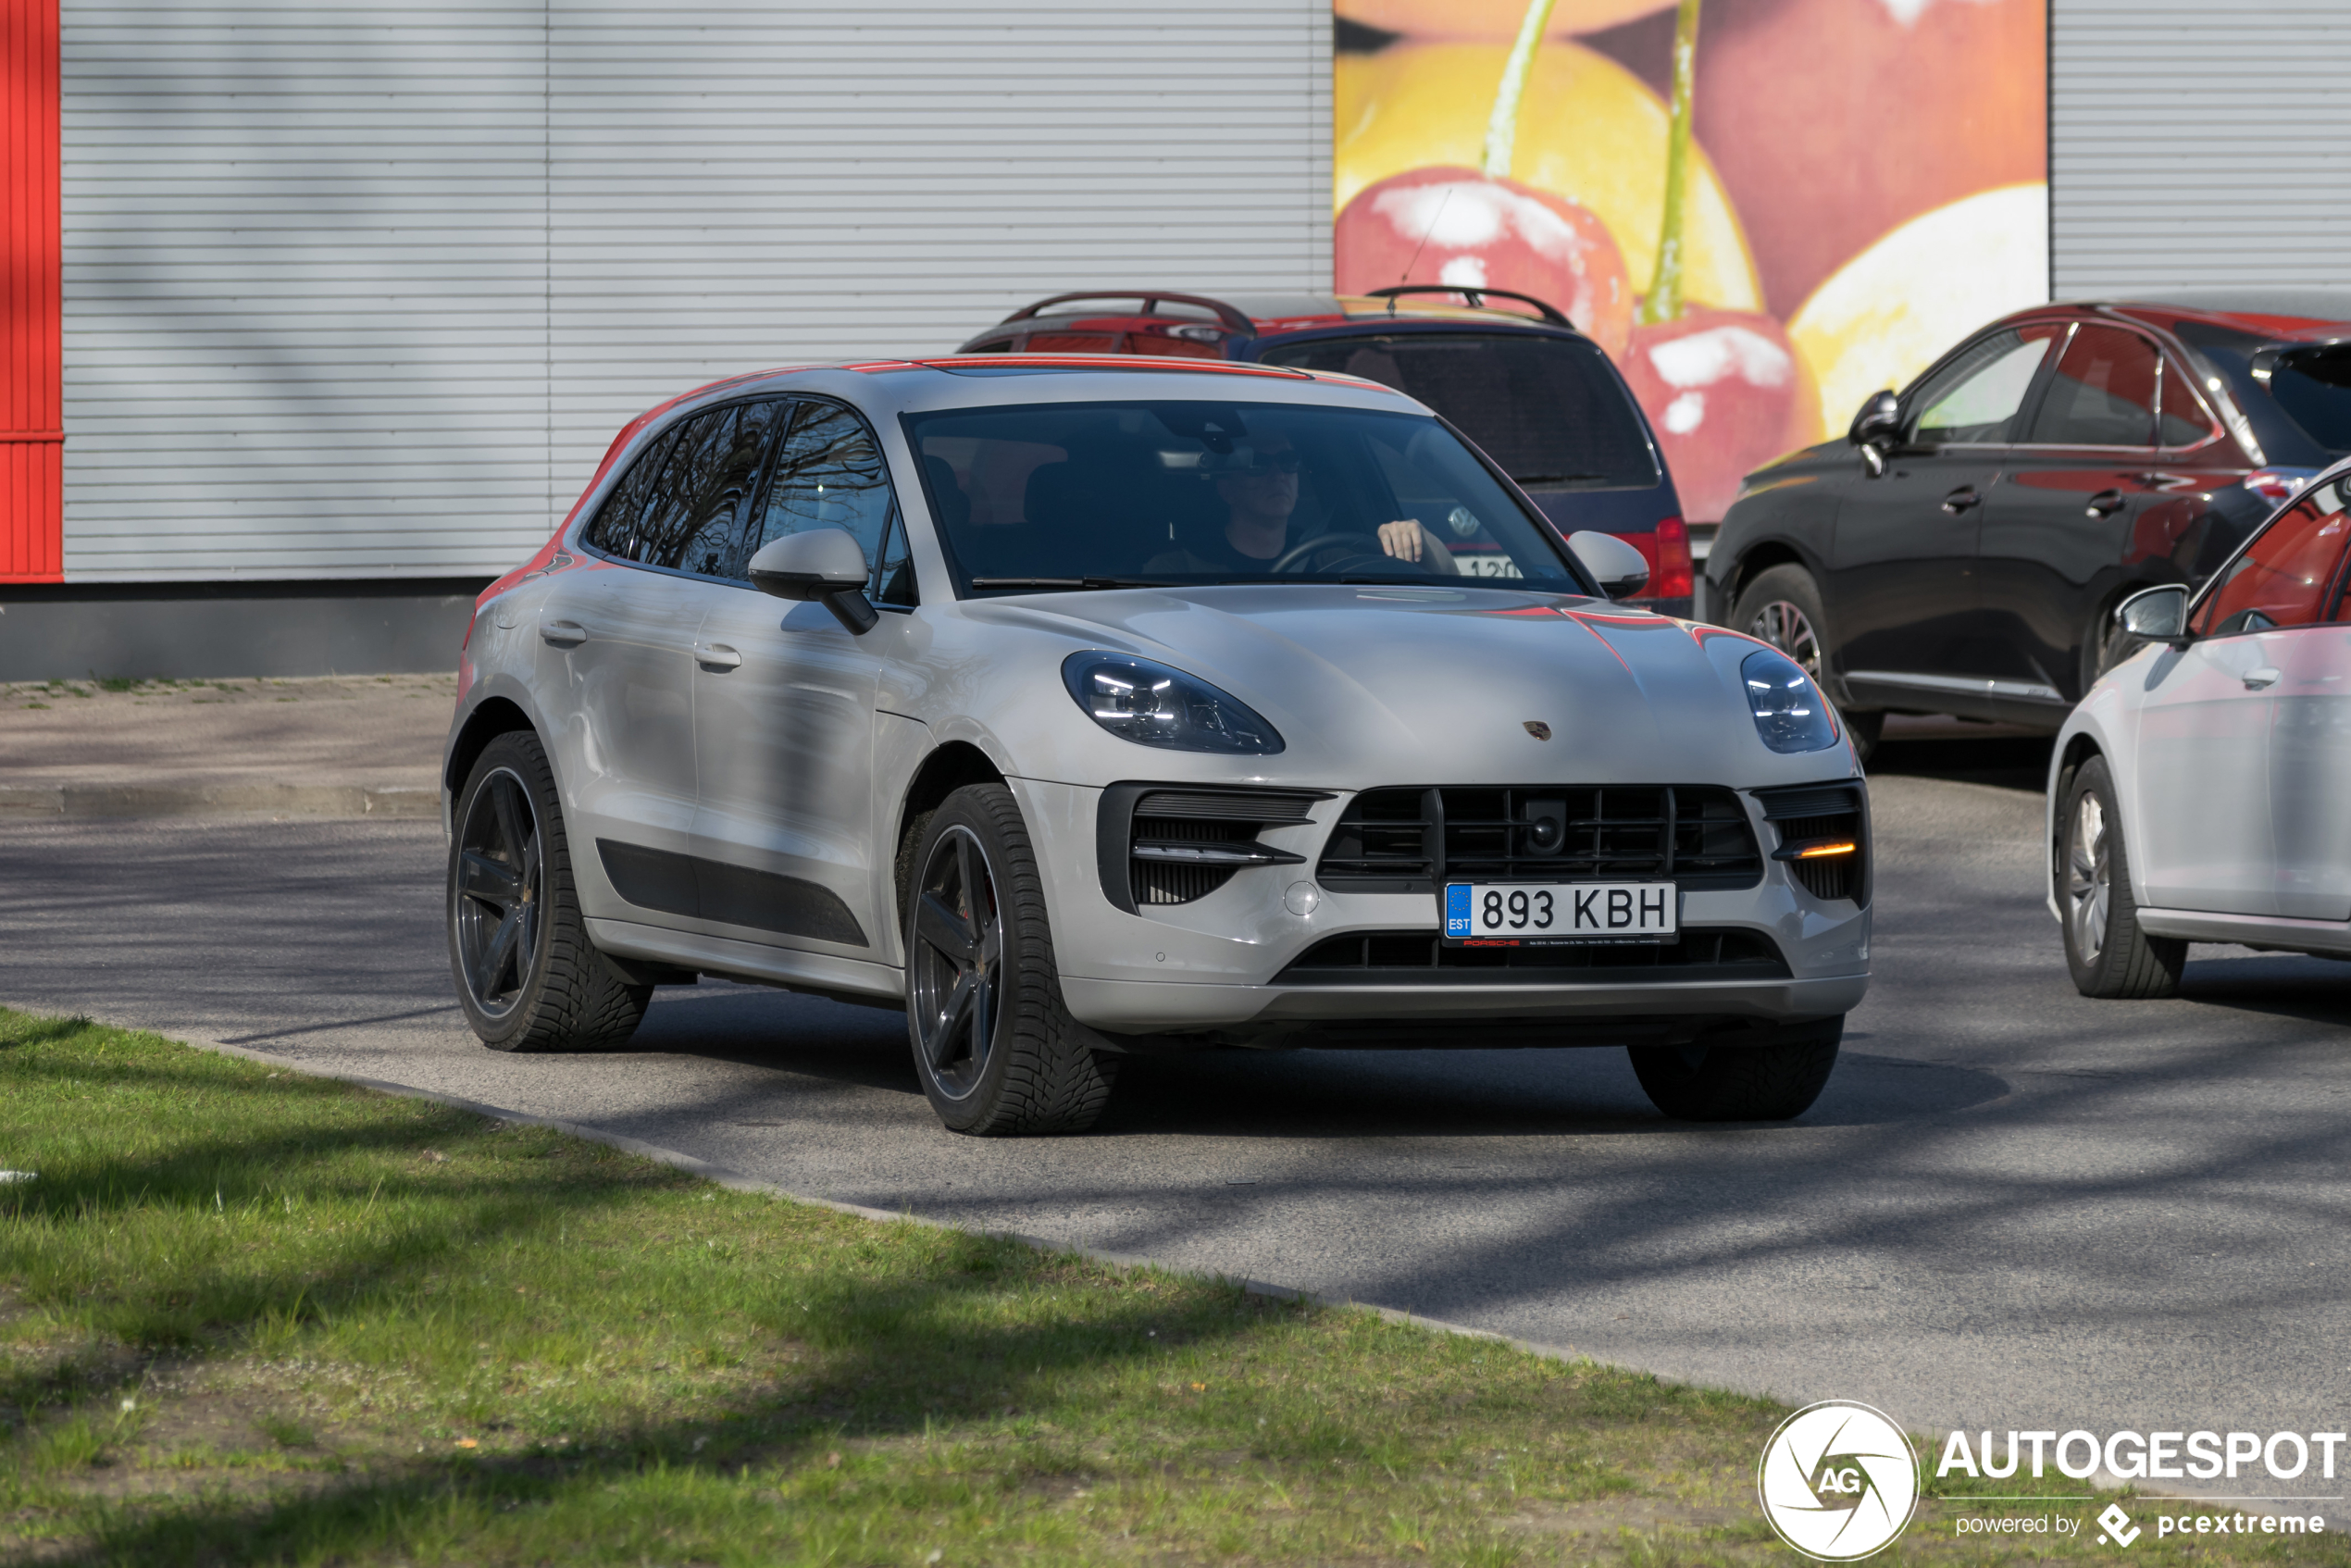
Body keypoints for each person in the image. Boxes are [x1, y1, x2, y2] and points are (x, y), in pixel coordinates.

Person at [1144, 431, 1454, 576]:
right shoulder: (1178, 568)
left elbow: (1445, 588)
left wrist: (1420, 540)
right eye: (1258, 464)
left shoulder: (1331, 559)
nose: (1277, 474)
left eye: (1288, 461)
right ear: (1227, 490)